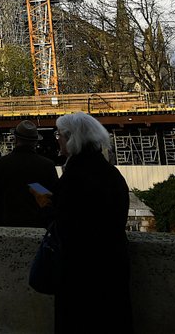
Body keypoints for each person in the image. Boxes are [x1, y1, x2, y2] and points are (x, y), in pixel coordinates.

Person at [52, 112, 133, 333]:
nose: (56, 139)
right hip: (113, 267)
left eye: (58, 134)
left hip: (81, 275)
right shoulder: (111, 173)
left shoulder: (73, 177)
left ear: (71, 138)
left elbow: (67, 227)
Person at [0, 120, 59, 228]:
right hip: (39, 224)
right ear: (35, 142)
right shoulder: (47, 165)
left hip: (9, 222)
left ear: (15, 139)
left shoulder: (2, 163)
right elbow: (52, 197)